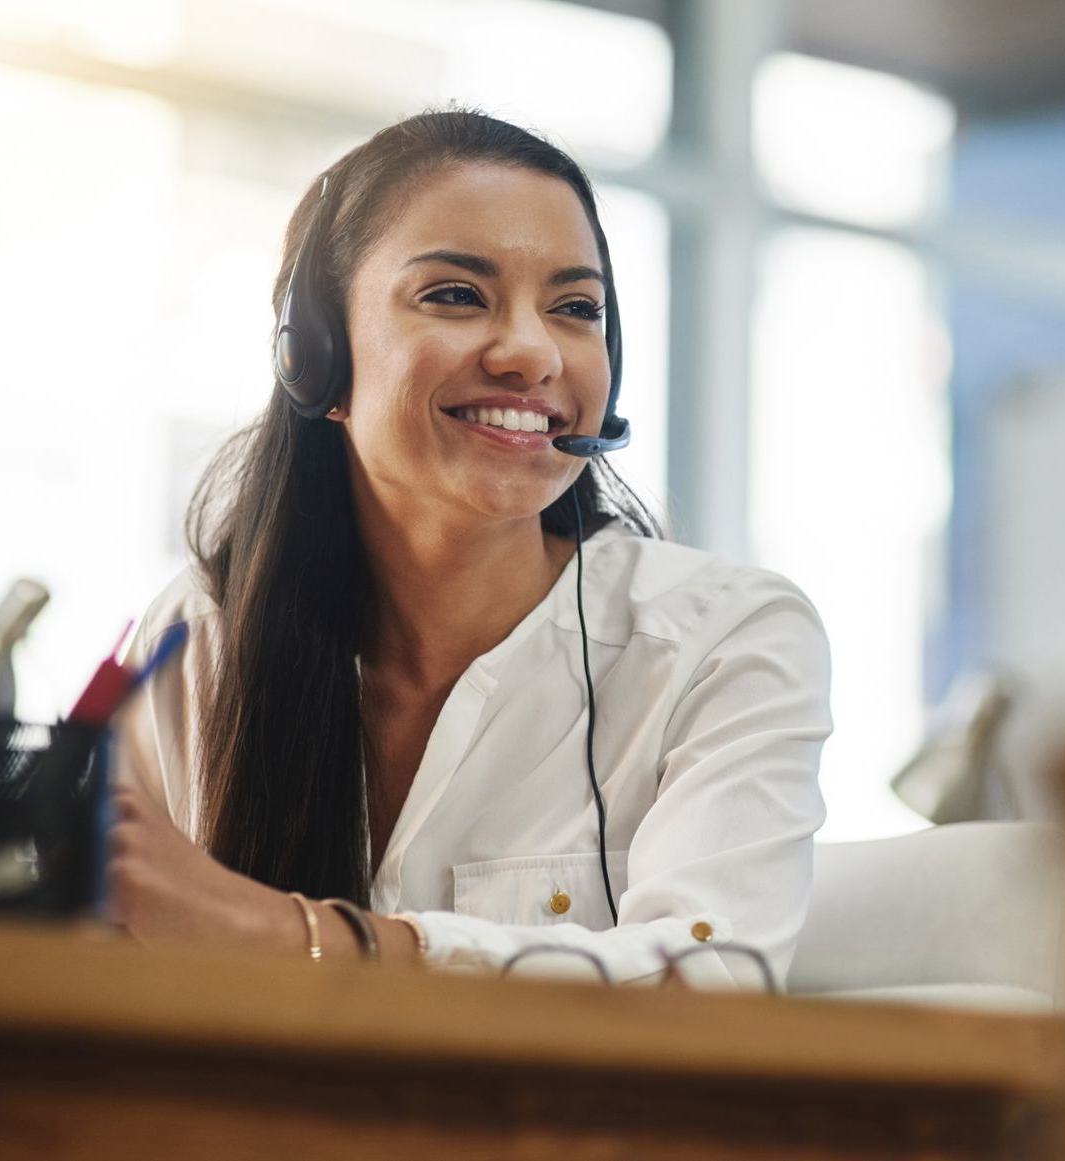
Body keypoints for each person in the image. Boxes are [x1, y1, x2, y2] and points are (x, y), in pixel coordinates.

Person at [111, 109, 832, 988]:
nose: (531, 353)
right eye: (456, 294)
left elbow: (715, 981)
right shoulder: (198, 637)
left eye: (575, 309)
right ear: (316, 355)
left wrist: (295, 936)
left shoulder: (725, 639)